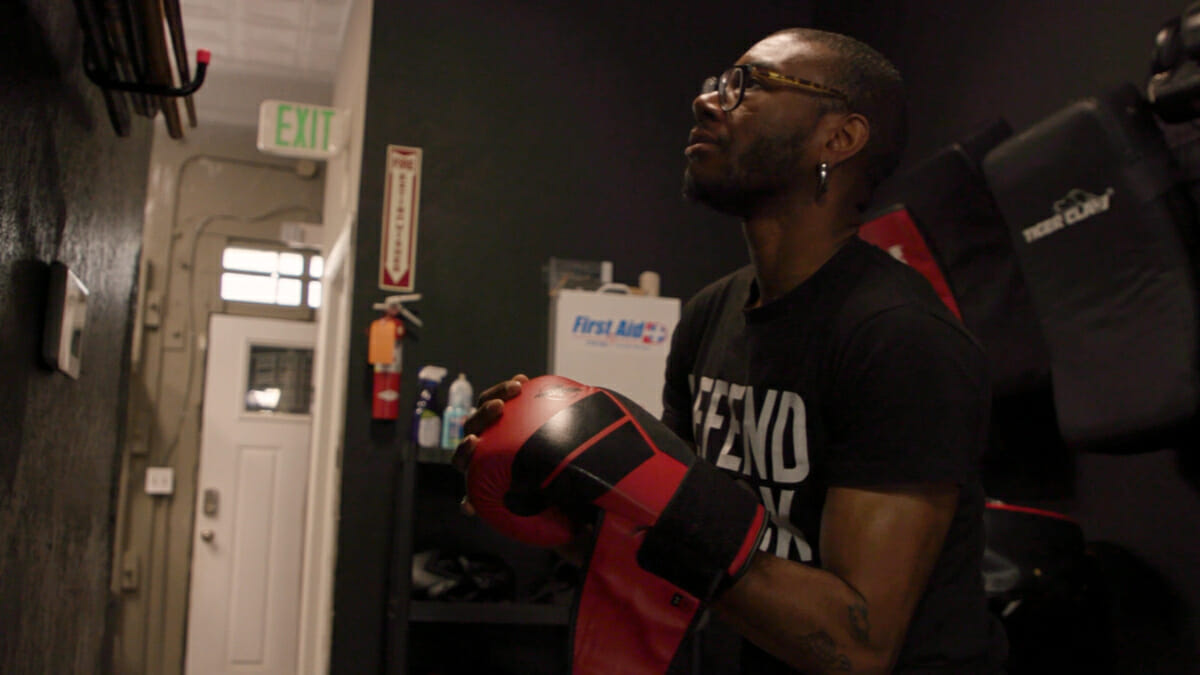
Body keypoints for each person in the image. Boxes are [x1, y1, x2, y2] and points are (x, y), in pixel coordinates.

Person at [456, 27, 1007, 674]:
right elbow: (685, 552)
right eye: (716, 81)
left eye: (747, 85)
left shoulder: (900, 338)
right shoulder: (710, 315)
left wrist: (664, 508)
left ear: (840, 138)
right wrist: (576, 512)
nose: (707, 100)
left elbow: (859, 644)